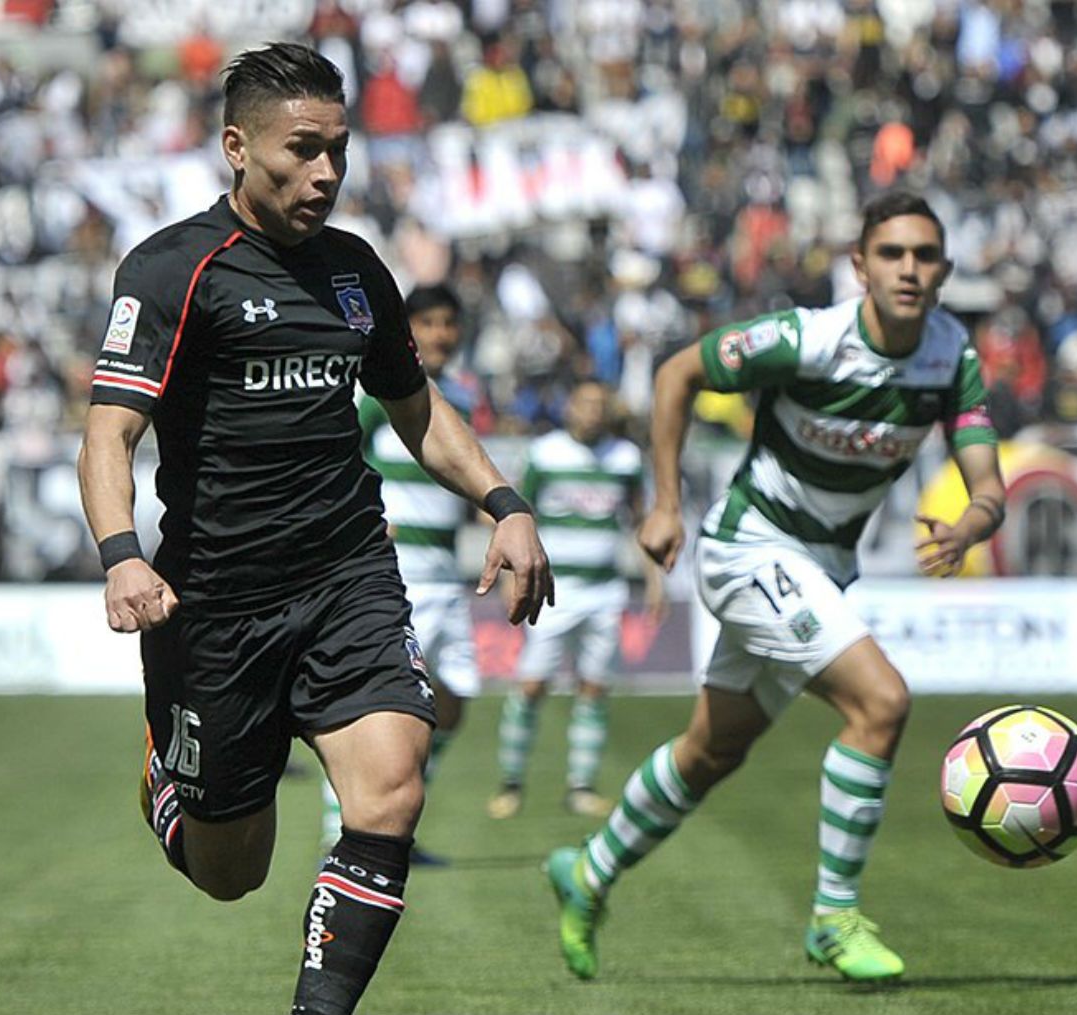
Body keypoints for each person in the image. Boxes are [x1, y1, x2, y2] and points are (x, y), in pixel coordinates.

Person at [77, 44, 551, 1015]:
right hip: (218, 603)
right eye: (303, 149)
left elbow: (417, 409)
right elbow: (108, 433)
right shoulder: (173, 269)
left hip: (348, 575)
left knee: (391, 791)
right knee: (230, 871)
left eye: (338, 149)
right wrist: (123, 557)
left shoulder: (355, 271)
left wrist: (503, 503)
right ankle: (171, 779)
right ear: (237, 147)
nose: (326, 172)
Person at [545, 192, 1006, 983]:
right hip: (748, 548)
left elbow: (989, 484)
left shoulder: (950, 356)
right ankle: (833, 917)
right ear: (859, 266)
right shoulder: (808, 338)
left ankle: (588, 870)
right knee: (881, 702)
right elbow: (678, 372)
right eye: (891, 253)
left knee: (712, 749)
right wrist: (665, 503)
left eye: (925, 255)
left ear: (945, 271)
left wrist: (971, 522)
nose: (908, 269)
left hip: (818, 571)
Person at [319, 283, 492, 863]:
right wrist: (361, 512)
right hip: (394, 573)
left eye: (449, 323)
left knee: (453, 702)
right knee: (370, 709)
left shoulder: (460, 399)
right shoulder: (378, 393)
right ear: (407, 328)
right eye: (428, 322)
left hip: (447, 576)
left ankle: (397, 822)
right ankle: (341, 834)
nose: (441, 334)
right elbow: (338, 448)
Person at [488, 379, 658, 820]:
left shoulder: (625, 457)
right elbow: (518, 517)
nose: (593, 411)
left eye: (600, 404)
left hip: (605, 590)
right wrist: (512, 578)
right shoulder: (545, 453)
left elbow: (640, 521)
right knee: (531, 686)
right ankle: (511, 783)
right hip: (554, 592)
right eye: (585, 403)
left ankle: (581, 787)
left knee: (595, 688)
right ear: (570, 409)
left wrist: (654, 580)